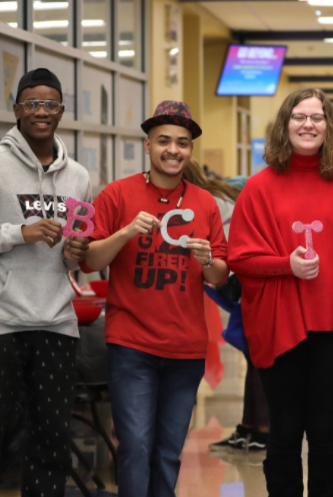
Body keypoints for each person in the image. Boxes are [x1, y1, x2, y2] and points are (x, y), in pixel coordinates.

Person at [227, 88, 333, 497]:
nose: (308, 124)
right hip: (280, 325)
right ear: (284, 124)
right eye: (299, 116)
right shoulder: (258, 189)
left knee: (327, 432)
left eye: (317, 117)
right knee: (285, 431)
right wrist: (286, 265)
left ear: (328, 127)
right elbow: (239, 258)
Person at [0, 68, 91, 496]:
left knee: (50, 444)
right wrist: (20, 232)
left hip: (56, 325)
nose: (41, 112)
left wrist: (76, 252)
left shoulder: (79, 177)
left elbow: (78, 245)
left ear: (62, 111)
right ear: (16, 110)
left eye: (50, 104)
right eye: (32, 104)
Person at [81, 101, 229, 497]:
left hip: (186, 348)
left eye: (182, 143)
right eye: (164, 140)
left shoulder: (204, 203)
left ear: (190, 150)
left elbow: (220, 275)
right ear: (147, 145)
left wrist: (207, 259)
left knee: (167, 453)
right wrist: (126, 233)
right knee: (134, 448)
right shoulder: (116, 195)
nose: (173, 150)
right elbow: (89, 260)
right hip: (132, 346)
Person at [183, 159, 271, 452]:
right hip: (253, 271)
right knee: (252, 353)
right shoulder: (227, 188)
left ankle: (262, 430)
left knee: (257, 354)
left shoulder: (201, 202)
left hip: (241, 274)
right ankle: (249, 427)